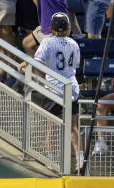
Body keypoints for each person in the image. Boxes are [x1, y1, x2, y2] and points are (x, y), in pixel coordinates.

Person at [25, 11, 83, 167]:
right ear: (67, 28)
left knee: (52, 127)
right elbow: (76, 64)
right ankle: (80, 160)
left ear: (51, 28)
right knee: (73, 128)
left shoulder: (47, 42)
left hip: (54, 88)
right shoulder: (73, 43)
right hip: (72, 88)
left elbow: (37, 61)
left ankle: (51, 160)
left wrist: (42, 81)